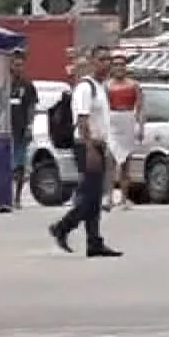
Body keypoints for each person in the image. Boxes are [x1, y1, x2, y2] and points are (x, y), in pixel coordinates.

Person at [48, 48, 123, 257]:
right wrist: (90, 148)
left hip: (98, 144)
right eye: (102, 59)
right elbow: (82, 120)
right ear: (92, 62)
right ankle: (62, 227)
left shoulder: (100, 87)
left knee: (95, 196)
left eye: (108, 59)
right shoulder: (85, 87)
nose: (106, 64)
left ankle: (94, 242)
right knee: (90, 196)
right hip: (86, 145)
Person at [104, 53, 142, 209]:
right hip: (113, 120)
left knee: (126, 162)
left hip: (127, 119)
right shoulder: (107, 86)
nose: (119, 67)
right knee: (110, 161)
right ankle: (109, 198)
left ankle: (124, 198)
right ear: (112, 68)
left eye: (122, 64)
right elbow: (103, 107)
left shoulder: (134, 85)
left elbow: (140, 107)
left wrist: (140, 126)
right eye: (116, 64)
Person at [7, 50, 40, 207]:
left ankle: (17, 198)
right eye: (15, 64)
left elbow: (32, 107)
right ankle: (6, 195)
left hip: (21, 130)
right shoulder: (4, 84)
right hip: (6, 129)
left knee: (19, 165)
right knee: (6, 164)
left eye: (20, 64)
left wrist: (29, 125)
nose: (18, 67)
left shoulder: (28, 86)